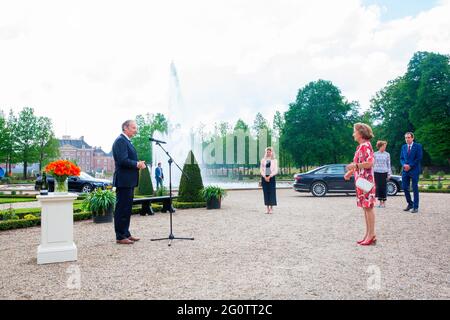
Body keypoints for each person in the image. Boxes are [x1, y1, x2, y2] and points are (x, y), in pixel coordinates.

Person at [112, 120, 146, 244]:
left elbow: (127, 159)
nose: (135, 130)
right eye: (133, 128)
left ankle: (126, 233)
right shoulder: (120, 141)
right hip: (123, 180)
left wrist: (138, 163)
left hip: (128, 180)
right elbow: (122, 160)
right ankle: (120, 236)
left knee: (127, 208)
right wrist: (137, 164)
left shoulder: (126, 141)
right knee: (122, 208)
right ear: (125, 128)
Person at [345, 123, 377, 246]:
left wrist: (355, 166)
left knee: (368, 207)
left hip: (366, 182)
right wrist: (350, 172)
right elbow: (358, 163)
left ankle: (371, 235)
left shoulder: (366, 146)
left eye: (355, 131)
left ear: (361, 133)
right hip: (361, 182)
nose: (353, 134)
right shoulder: (360, 147)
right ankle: (368, 234)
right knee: (365, 207)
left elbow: (369, 163)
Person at [400, 132, 423, 213]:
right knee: (404, 187)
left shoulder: (418, 146)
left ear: (412, 138)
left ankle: (415, 207)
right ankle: (410, 204)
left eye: (409, 137)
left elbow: (419, 158)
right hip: (405, 170)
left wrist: (410, 165)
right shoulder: (403, 147)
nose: (407, 139)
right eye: (406, 138)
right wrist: (404, 165)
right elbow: (401, 158)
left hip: (414, 170)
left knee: (414, 188)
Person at [374, 140, 392, 208]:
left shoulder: (387, 154)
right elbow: (373, 164)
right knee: (378, 187)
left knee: (383, 187)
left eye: (385, 146)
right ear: (380, 146)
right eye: (384, 146)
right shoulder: (375, 154)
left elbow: (389, 164)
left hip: (384, 172)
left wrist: (389, 174)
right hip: (376, 172)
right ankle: (380, 202)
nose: (385, 147)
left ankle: (384, 202)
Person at [260, 147, 278, 214]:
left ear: (272, 152)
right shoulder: (263, 160)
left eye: (269, 152)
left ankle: (271, 208)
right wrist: (264, 176)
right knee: (266, 192)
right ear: (266, 152)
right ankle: (267, 208)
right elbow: (261, 169)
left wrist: (270, 176)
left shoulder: (274, 160)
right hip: (264, 177)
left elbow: (276, 170)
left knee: (272, 192)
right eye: (267, 152)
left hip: (272, 177)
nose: (268, 153)